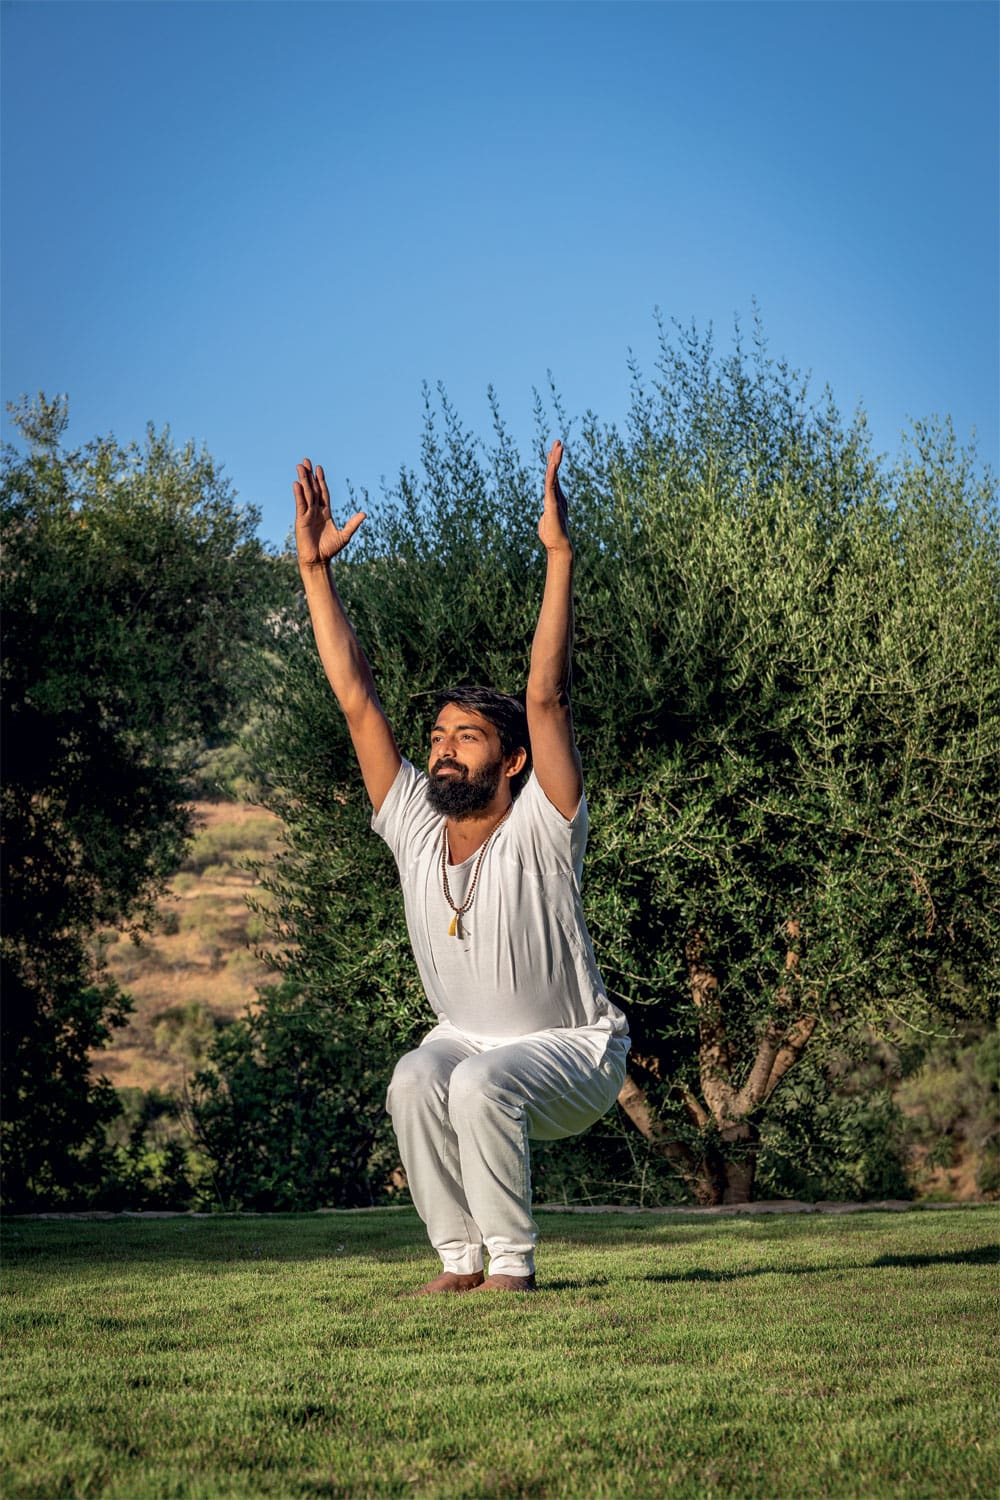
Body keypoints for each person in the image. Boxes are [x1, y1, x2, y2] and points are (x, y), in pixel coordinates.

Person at [293, 441, 629, 1294]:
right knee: (416, 1076)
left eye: (465, 739)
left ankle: (512, 1268)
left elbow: (545, 696)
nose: (441, 753)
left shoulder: (545, 826)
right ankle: (458, 1260)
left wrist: (558, 556)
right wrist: (315, 573)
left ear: (511, 761)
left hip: (572, 1053)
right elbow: (356, 698)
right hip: (466, 1043)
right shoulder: (411, 818)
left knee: (479, 1081)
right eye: (438, 738)